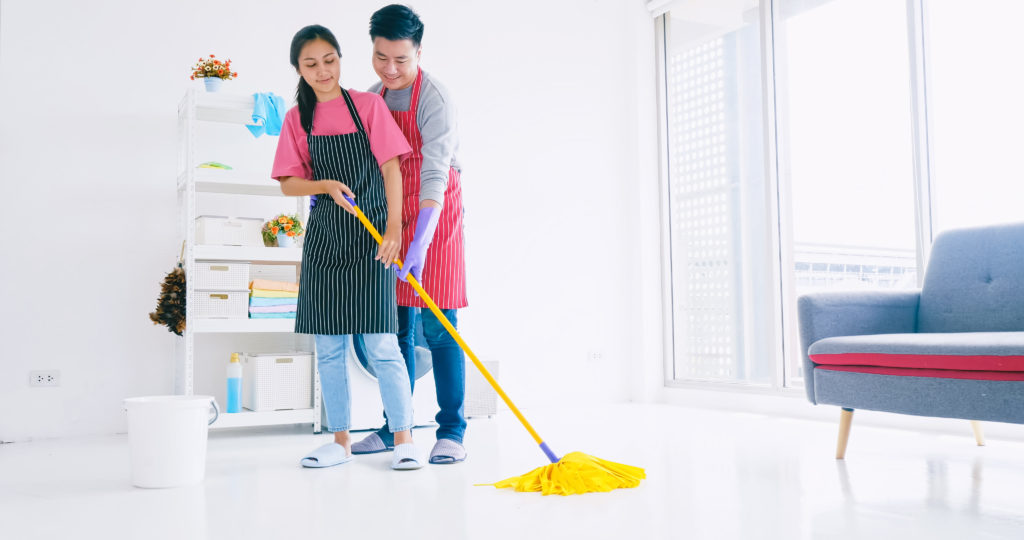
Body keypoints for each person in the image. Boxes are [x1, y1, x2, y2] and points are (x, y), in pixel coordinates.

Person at [272, 24, 424, 470]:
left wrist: (395, 228)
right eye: (311, 64)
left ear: (340, 58)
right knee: (331, 347)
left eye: (329, 60)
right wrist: (322, 184)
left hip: (373, 240)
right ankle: (339, 442)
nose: (323, 71)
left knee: (382, 344)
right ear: (299, 69)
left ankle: (404, 438)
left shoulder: (368, 106)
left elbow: (392, 168)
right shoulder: (297, 118)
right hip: (324, 243)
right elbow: (288, 184)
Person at [351, 4, 469, 465]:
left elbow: (436, 173)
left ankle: (453, 430)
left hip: (436, 216)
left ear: (418, 51)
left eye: (402, 59)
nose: (391, 69)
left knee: (440, 327)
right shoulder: (370, 98)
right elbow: (361, 159)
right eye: (381, 58)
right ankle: (394, 426)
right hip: (392, 209)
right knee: (396, 326)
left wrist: (420, 242)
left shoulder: (435, 98)